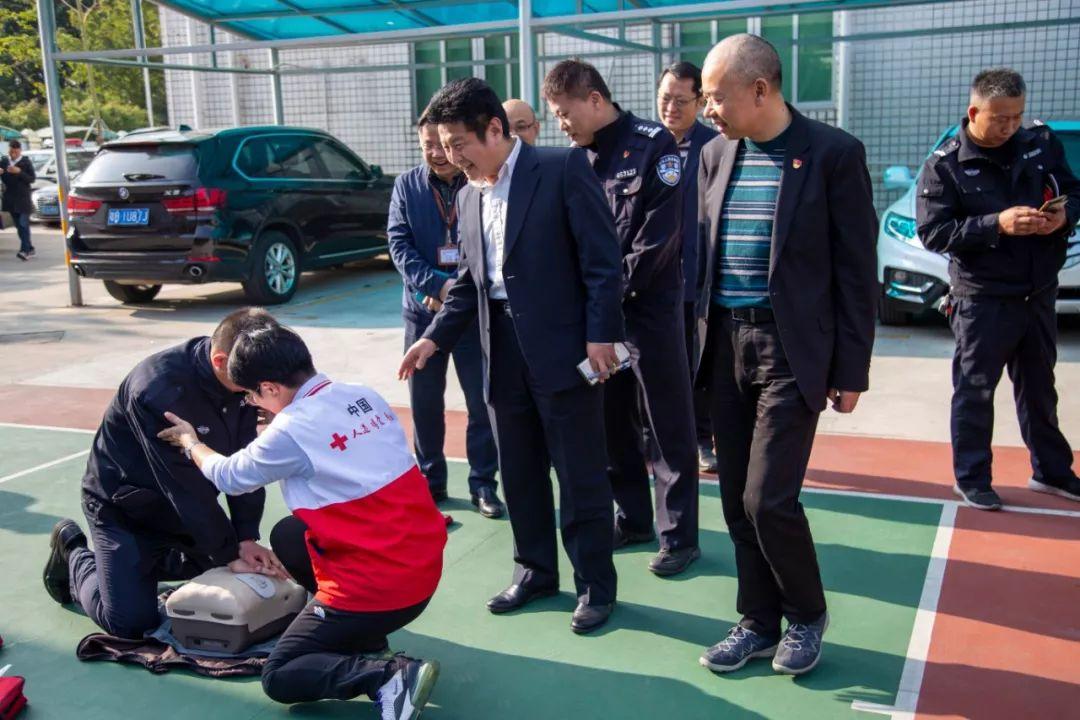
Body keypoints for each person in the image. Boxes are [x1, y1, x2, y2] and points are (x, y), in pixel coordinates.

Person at [399, 77, 625, 634]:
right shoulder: (469, 194)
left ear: (495, 130)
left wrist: (601, 336)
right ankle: (535, 573)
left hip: (564, 349)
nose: (452, 158)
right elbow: (470, 281)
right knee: (519, 472)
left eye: (459, 144)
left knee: (579, 475)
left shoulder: (561, 169)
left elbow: (602, 262)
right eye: (444, 147)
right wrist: (432, 337)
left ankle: (595, 586)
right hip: (499, 350)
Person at [695, 35, 877, 675]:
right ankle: (757, 620)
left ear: (759, 89)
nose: (707, 109)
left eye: (715, 97)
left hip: (789, 349)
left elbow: (856, 270)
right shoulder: (715, 154)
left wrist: (851, 369)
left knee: (767, 498)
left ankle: (806, 615)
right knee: (733, 499)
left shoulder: (833, 154)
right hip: (723, 342)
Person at [157, 319, 444, 719]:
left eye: (252, 395)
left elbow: (228, 476)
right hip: (422, 566)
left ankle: (387, 676)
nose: (252, 403)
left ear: (270, 388)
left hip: (381, 589)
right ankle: (365, 637)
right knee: (289, 535)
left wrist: (191, 442)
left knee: (280, 674)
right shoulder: (361, 394)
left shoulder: (290, 431)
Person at [543, 59, 701, 577]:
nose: (561, 124)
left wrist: (603, 296)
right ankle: (633, 518)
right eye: (555, 116)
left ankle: (678, 535)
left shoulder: (656, 147)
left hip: (649, 312)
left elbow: (657, 241)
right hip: (599, 322)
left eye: (565, 113)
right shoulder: (573, 161)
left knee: (666, 423)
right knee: (612, 422)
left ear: (594, 99)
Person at [42, 308, 284, 640]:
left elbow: (243, 464)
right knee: (131, 623)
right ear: (220, 361)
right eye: (254, 384)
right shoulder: (157, 391)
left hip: (183, 511)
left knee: (224, 563)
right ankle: (75, 554)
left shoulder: (244, 377)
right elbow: (183, 488)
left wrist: (245, 537)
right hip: (124, 511)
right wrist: (229, 553)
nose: (261, 390)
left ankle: (137, 568)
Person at [916, 68, 1080, 511]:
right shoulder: (945, 165)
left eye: (1017, 116)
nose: (1011, 126)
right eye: (1001, 118)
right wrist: (996, 224)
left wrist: (1064, 216)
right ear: (974, 113)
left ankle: (1051, 472)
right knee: (976, 391)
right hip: (982, 298)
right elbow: (933, 233)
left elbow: (1074, 191)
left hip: (1037, 291)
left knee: (1040, 389)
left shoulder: (1040, 143)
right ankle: (971, 478)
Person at [388, 113, 505, 518]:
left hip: (471, 315)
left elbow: (490, 242)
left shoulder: (478, 180)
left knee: (481, 402)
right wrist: (436, 287)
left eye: (443, 144)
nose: (438, 154)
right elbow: (399, 246)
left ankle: (483, 484)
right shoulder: (406, 186)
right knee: (424, 403)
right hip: (423, 313)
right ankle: (431, 481)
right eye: (428, 146)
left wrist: (459, 293)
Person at [656, 60, 720, 475]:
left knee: (697, 365)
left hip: (699, 279)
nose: (671, 108)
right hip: (651, 280)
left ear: (700, 102)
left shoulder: (716, 146)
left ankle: (701, 438)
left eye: (681, 101)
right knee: (655, 364)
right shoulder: (644, 145)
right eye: (665, 98)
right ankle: (655, 437)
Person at [0, 140, 37, 260]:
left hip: (23, 199)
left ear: (20, 150)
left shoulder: (25, 162)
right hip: (10, 199)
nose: (13, 154)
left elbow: (32, 179)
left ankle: (24, 251)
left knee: (23, 224)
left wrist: (19, 172)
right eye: (11, 151)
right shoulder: (4, 162)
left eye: (15, 152)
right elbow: (4, 179)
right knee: (19, 226)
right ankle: (30, 248)